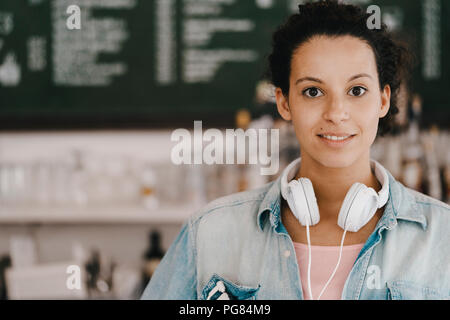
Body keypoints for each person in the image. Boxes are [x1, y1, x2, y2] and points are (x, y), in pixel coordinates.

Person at [141, 0, 450, 300]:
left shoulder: (443, 237)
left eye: (357, 90)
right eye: (313, 91)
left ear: (383, 100)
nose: (336, 112)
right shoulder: (209, 234)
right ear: (284, 102)